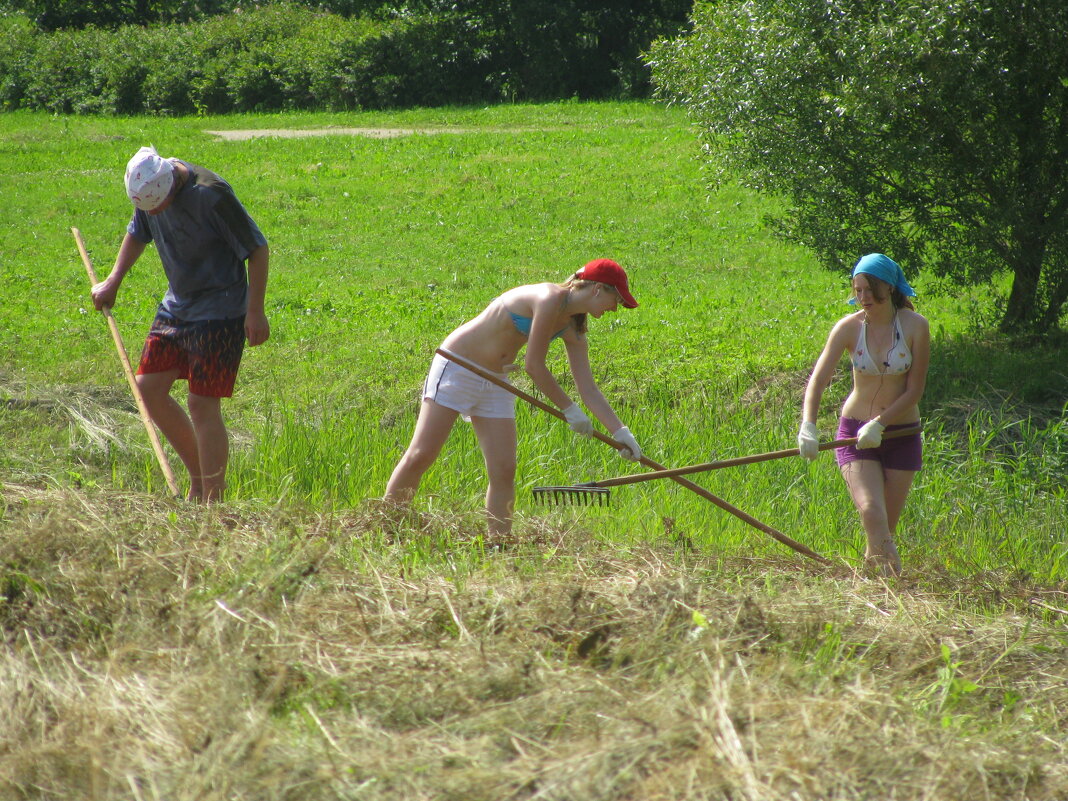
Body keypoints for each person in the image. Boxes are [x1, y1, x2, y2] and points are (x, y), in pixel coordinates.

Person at [384, 258, 642, 538]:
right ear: (597, 289)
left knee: (504, 469)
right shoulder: (548, 297)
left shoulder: (575, 329)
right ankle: (386, 526)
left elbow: (589, 389)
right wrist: (569, 410)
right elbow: (534, 365)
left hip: (496, 382)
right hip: (458, 367)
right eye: (615, 299)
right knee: (422, 455)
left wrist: (620, 432)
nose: (615, 307)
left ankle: (500, 545)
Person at [91, 146, 270, 503]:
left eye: (159, 207)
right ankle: (199, 480)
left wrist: (255, 311)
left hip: (221, 309)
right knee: (148, 389)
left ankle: (213, 502)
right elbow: (138, 233)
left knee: (202, 404)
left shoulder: (211, 194)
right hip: (177, 306)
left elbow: (257, 248)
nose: (157, 214)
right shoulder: (149, 191)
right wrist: (113, 281)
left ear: (171, 185)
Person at [797, 253, 930, 575]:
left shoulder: (916, 326)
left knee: (884, 530)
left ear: (890, 286)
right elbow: (818, 379)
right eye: (858, 290)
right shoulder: (848, 328)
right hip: (854, 433)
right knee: (872, 512)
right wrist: (808, 426)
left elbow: (915, 390)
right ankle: (896, 584)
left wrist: (880, 424)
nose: (864, 297)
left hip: (901, 434)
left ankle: (869, 590)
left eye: (870, 289)